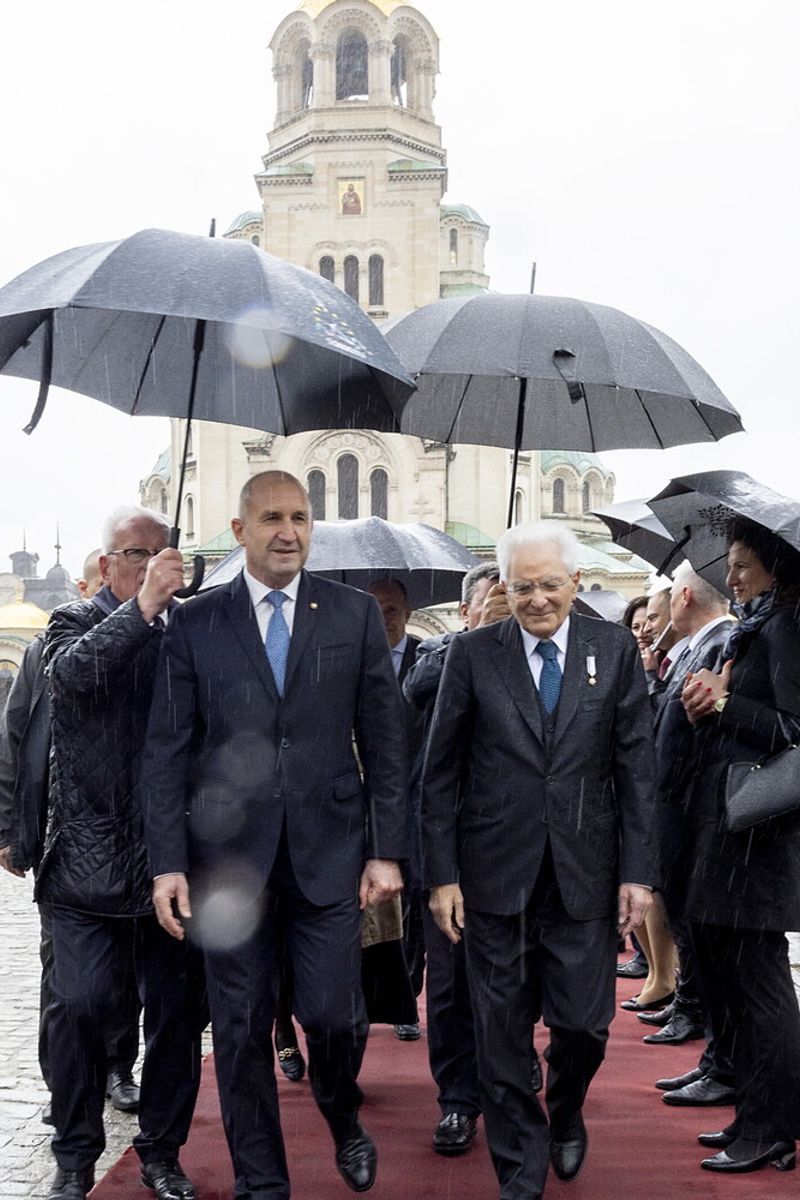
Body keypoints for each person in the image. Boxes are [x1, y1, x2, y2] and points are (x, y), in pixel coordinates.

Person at [143, 470, 408, 1200]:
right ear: (240, 531)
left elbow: (385, 741)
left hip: (329, 856)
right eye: (271, 519)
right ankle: (264, 1185)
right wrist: (167, 863)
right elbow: (166, 751)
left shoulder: (353, 615)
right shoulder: (196, 622)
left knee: (331, 1016)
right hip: (227, 867)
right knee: (237, 1032)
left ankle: (341, 1112)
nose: (287, 531)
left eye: (298, 517)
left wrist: (387, 850)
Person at [422, 521, 655, 1199]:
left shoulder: (612, 652)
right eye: (523, 586)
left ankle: (569, 1108)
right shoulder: (472, 654)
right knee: (499, 1036)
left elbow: (636, 770)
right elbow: (439, 774)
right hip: (493, 877)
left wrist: (639, 873)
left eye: (550, 585)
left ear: (575, 584)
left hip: (586, 876)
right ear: (504, 586)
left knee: (584, 1026)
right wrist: (442, 875)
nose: (537, 599)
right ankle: (520, 1173)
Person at [39, 508, 207, 1200]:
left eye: (161, 553)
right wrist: (141, 608)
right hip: (86, 863)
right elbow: (74, 678)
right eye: (135, 554)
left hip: (174, 865)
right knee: (79, 1007)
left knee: (176, 1018)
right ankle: (76, 1154)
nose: (151, 564)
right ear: (106, 567)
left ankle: (161, 1151)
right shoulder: (71, 624)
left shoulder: (191, 631)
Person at [0, 548, 142, 1126]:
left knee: (126, 973)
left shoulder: (145, 642)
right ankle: (64, 1085)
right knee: (64, 979)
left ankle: (118, 1067)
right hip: (61, 835)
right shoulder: (45, 650)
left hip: (127, 841)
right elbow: (17, 737)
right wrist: (11, 828)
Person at [679, 518, 800, 1173]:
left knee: (760, 988)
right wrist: (707, 709)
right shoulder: (761, 626)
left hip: (761, 841)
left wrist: (726, 706)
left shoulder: (786, 628)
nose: (729, 579)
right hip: (736, 838)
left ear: (776, 570)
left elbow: (793, 728)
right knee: (739, 985)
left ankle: (772, 1127)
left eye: (742, 567)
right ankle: (755, 1116)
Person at [404, 561, 522, 1157]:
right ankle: (457, 1100)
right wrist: (478, 645)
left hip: (517, 850)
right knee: (448, 986)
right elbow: (415, 691)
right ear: (467, 610)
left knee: (512, 981)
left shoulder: (537, 656)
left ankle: (515, 1074)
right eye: (495, 602)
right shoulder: (440, 654)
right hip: (447, 850)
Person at [639, 564, 734, 1060]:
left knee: (692, 918)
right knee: (681, 910)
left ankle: (692, 1010)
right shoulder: (696, 645)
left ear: (686, 595)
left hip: (693, 804)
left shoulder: (721, 643)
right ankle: (688, 1004)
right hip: (675, 801)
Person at [366, 577, 423, 1041]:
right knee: (379, 904)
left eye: (391, 609)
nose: (384, 617)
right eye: (375, 609)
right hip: (368, 802)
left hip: (418, 798)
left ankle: (407, 993)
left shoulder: (428, 658)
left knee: (416, 904)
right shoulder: (352, 659)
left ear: (407, 613)